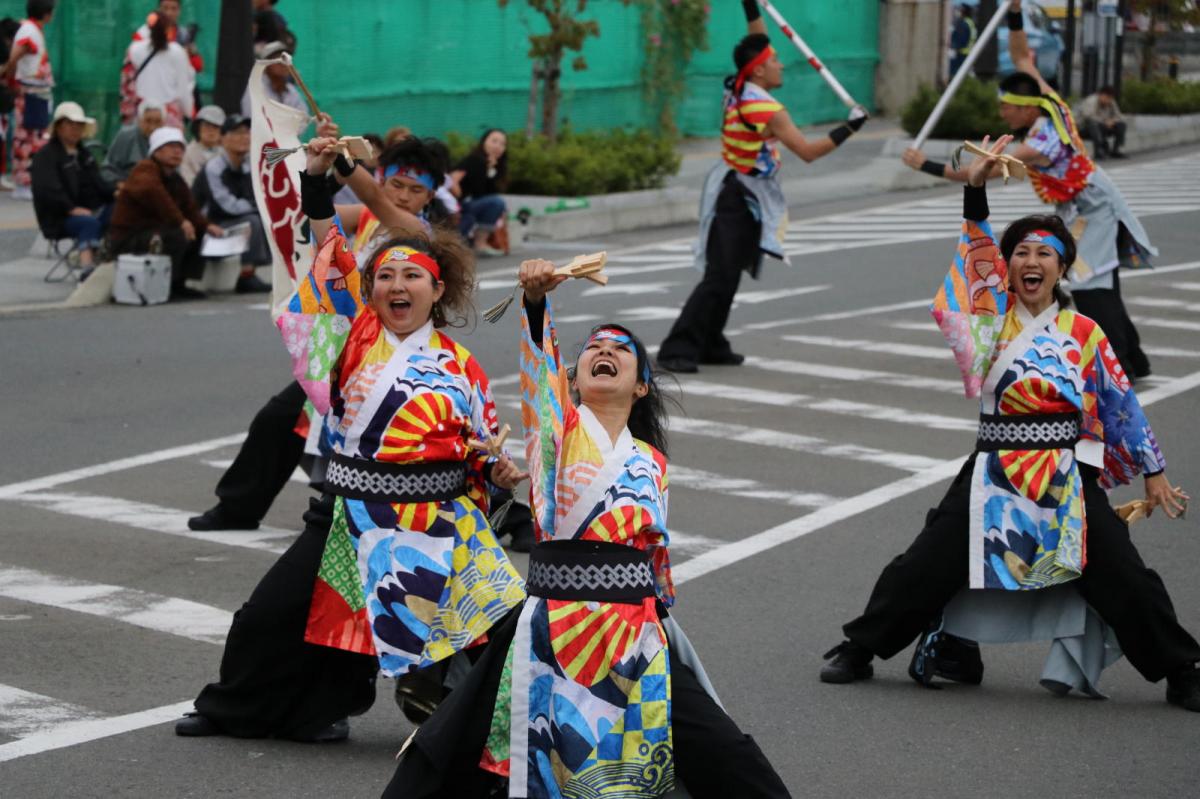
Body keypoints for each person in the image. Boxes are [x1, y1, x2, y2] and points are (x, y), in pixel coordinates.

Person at [819, 137, 1200, 714]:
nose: (1031, 262)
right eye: (1020, 252)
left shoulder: (1084, 333)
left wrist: (1153, 472)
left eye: (1045, 254)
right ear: (1006, 265)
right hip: (994, 471)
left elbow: (1121, 403)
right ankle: (860, 646)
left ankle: (1182, 668)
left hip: (1065, 475)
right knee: (926, 561)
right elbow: (974, 264)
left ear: (1062, 267)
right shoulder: (991, 322)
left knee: (1123, 573)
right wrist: (974, 190)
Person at [385, 260, 790, 798]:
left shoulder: (651, 460)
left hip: (634, 633)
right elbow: (539, 380)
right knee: (455, 746)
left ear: (642, 385)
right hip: (553, 628)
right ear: (571, 380)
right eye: (594, 348)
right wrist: (535, 305)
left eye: (622, 350)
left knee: (723, 751)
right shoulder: (556, 434)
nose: (605, 352)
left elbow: (655, 559)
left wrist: (660, 618)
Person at [176, 134, 526, 743]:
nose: (397, 284)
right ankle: (238, 708)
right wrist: (317, 183)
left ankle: (492, 725)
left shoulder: (460, 367)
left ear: (437, 291)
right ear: (370, 291)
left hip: (428, 523)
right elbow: (328, 248)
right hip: (345, 512)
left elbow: (482, 445)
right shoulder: (354, 337)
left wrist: (494, 471)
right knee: (272, 615)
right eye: (385, 274)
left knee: (498, 630)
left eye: (412, 275)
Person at [186, 124, 451, 535]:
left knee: (377, 445)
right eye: (396, 184)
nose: (402, 194)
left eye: (414, 190)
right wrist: (318, 169)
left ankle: (501, 512)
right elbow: (313, 215)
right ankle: (239, 507)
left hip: (396, 357)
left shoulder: (419, 232)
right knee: (280, 420)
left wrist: (345, 162)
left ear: (430, 196)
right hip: (348, 350)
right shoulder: (368, 218)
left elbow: (376, 199)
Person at [900, 0, 1153, 383]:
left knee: (1088, 280)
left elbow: (977, 170)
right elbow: (1022, 55)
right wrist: (1015, 12)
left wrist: (926, 165)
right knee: (1098, 278)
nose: (1003, 114)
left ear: (1025, 109)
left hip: (1093, 205)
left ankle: (1119, 364)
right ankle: (1133, 358)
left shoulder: (1042, 140)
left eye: (1007, 108)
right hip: (1076, 205)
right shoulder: (1048, 99)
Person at [656, 0, 867, 374]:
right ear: (758, 72)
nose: (781, 63)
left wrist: (750, 6)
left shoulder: (738, 86)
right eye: (774, 61)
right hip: (740, 196)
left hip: (740, 189)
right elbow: (807, 152)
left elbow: (759, 41)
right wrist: (850, 127)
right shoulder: (767, 110)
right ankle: (677, 347)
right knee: (719, 275)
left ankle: (711, 341)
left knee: (729, 272)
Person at [108, 126, 224, 301]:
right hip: (129, 237)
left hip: (154, 232)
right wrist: (181, 222)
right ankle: (168, 284)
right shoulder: (145, 170)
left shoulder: (175, 178)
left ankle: (180, 283)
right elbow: (155, 194)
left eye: (180, 147)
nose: (177, 152)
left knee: (199, 232)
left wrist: (207, 225)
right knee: (178, 235)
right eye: (170, 146)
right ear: (157, 150)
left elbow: (190, 207)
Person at [30, 101, 113, 276]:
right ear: (59, 127)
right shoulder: (45, 157)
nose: (75, 129)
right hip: (59, 217)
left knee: (122, 210)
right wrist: (70, 208)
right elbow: (47, 190)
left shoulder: (85, 155)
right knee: (88, 223)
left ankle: (114, 262)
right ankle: (87, 268)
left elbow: (99, 185)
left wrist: (119, 193)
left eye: (79, 125)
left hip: (91, 209)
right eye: (70, 124)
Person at [197, 113, 271, 293]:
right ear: (223, 139)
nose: (245, 137)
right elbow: (225, 205)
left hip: (232, 225)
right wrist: (257, 207)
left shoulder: (248, 166)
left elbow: (260, 195)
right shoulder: (214, 167)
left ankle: (255, 270)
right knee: (253, 220)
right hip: (209, 229)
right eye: (237, 133)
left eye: (247, 132)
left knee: (267, 217)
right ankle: (246, 276)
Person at [1, 0, 56, 200]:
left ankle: (28, 182)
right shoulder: (29, 31)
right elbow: (16, 55)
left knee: (33, 136)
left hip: (36, 91)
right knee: (27, 137)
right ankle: (24, 183)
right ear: (47, 13)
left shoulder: (31, 29)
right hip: (31, 91)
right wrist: (9, 76)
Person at [119, 0, 204, 124]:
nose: (169, 13)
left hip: (160, 108)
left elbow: (197, 67)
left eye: (173, 9)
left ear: (179, 11)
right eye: (165, 8)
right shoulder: (140, 38)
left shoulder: (183, 36)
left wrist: (192, 53)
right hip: (151, 107)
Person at [450, 128, 508, 255]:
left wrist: (491, 170)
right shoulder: (474, 160)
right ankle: (479, 243)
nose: (498, 146)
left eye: (502, 144)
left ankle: (480, 243)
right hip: (458, 204)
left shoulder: (495, 166)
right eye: (494, 141)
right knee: (497, 203)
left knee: (497, 203)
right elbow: (477, 191)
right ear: (484, 142)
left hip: (470, 204)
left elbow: (489, 192)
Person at [103, 100, 165, 187]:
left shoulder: (168, 140)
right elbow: (108, 170)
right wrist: (122, 186)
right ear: (139, 121)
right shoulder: (126, 136)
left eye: (157, 122)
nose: (152, 127)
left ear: (164, 123)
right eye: (148, 121)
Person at [241, 40, 306, 119]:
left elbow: (302, 117)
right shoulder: (255, 88)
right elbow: (251, 118)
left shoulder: (291, 90)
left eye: (285, 60)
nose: (283, 64)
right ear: (266, 64)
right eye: (278, 60)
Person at [179, 104, 225, 185]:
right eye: (207, 125)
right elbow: (188, 182)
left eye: (215, 126)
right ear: (198, 127)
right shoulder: (187, 153)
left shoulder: (227, 152)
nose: (211, 130)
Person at [1078, 85, 1127, 160]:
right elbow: (1088, 116)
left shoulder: (1111, 102)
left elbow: (1119, 116)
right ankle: (1099, 151)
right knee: (1093, 124)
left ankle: (1116, 150)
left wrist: (1112, 121)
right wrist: (1105, 122)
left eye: (1110, 98)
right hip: (1085, 129)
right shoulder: (1091, 101)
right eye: (1107, 98)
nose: (1109, 101)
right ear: (1101, 95)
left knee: (1121, 125)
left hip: (1103, 126)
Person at [948, 4, 976, 78]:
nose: (959, 12)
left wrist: (954, 48)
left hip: (961, 53)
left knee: (955, 73)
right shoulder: (970, 22)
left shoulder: (964, 24)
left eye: (960, 10)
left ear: (964, 12)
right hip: (967, 52)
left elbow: (961, 39)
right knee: (964, 74)